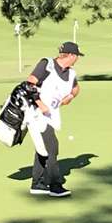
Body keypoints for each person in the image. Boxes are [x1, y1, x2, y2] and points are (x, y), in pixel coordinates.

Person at [24, 41, 83, 198]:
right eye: (77, 56)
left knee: (42, 148)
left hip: (52, 115)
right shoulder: (47, 65)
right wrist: (40, 103)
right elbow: (29, 84)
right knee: (52, 147)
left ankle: (38, 184)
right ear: (70, 55)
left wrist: (70, 96)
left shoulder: (70, 73)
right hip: (36, 113)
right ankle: (55, 185)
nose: (77, 59)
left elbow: (76, 88)